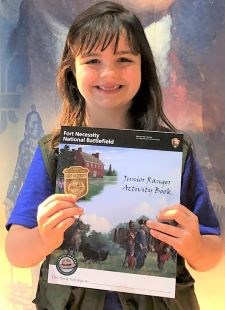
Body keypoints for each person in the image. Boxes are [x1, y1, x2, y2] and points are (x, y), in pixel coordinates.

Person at [5, 1, 222, 309]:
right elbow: (16, 250)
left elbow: (211, 250)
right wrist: (42, 237)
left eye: (123, 59)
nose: (108, 72)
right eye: (92, 60)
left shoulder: (174, 154)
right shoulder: (54, 152)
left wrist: (196, 246)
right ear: (71, 69)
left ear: (142, 66)